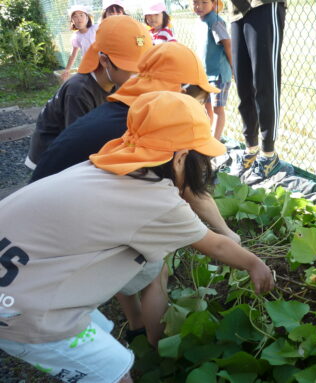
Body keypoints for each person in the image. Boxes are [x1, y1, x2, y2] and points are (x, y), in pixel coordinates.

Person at [0, 90, 274, 383]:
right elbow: (215, 244)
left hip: (18, 278)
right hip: (23, 310)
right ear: (181, 158)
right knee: (115, 372)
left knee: (101, 332)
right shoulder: (157, 200)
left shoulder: (102, 165)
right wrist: (255, 265)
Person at [30, 42, 240, 347]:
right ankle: (160, 347)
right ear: (179, 91)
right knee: (155, 266)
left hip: (47, 212)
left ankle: (137, 326)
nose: (199, 107)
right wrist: (227, 234)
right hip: (57, 240)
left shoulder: (126, 109)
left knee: (130, 250)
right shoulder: (155, 123)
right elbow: (190, 192)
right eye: (197, 99)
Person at [24, 15, 151, 169]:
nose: (137, 76)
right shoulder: (78, 91)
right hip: (51, 159)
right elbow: (78, 142)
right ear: (104, 61)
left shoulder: (117, 81)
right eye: (131, 69)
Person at [229, 0, 286, 183]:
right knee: (243, 85)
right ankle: (251, 150)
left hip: (262, 5)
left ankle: (269, 155)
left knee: (265, 83)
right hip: (237, 11)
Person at [193, 0, 233, 141]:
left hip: (218, 74)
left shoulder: (214, 22)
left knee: (218, 109)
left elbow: (227, 44)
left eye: (204, 2)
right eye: (195, 2)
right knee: (206, 106)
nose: (199, 6)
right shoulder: (200, 22)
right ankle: (208, 136)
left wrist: (233, 68)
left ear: (214, 4)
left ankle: (215, 140)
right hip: (204, 74)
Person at [61, 4, 98, 82]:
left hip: (102, 63)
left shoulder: (96, 29)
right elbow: (73, 55)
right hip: (88, 66)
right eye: (75, 16)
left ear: (87, 18)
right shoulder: (76, 36)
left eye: (81, 15)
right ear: (72, 21)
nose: (79, 19)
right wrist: (67, 69)